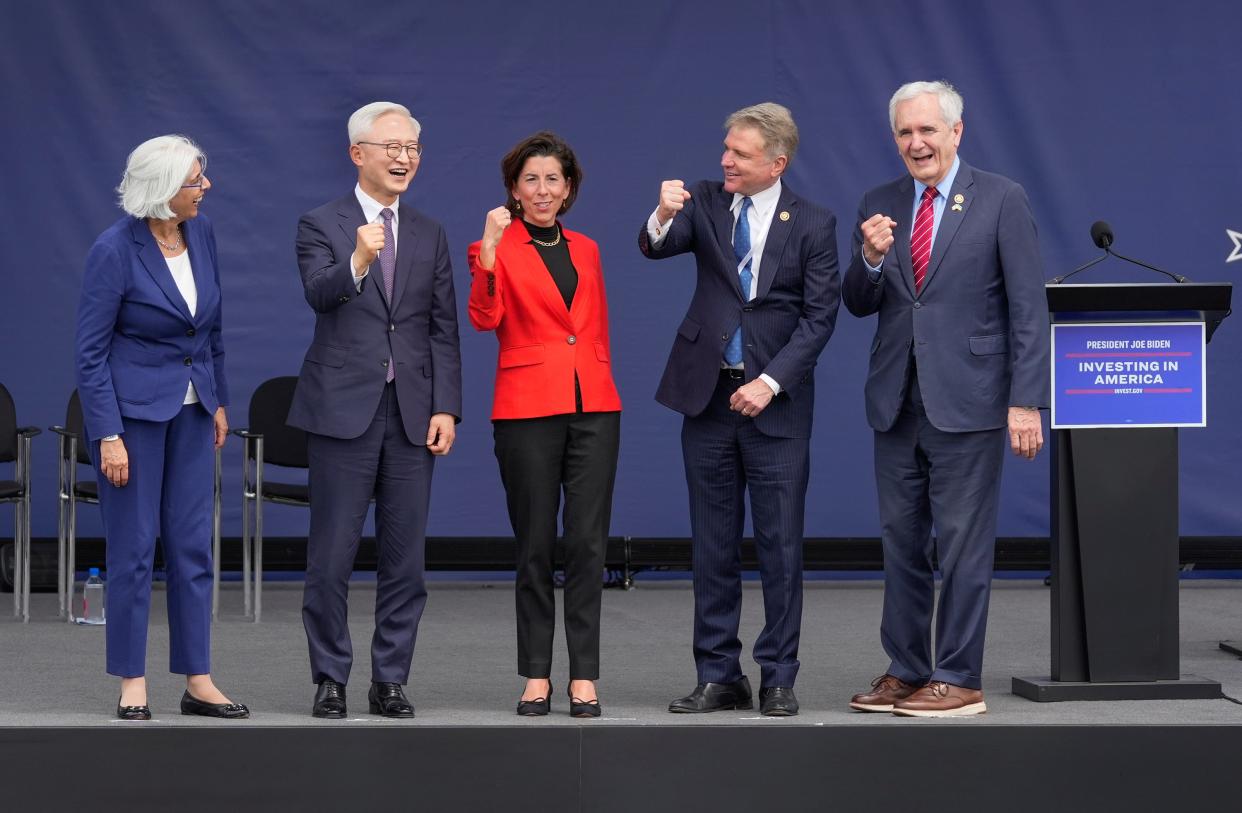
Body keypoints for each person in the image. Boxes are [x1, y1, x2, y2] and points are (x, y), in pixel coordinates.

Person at [842, 80, 1050, 717]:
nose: (916, 142)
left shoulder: (1001, 198)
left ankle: (959, 678)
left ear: (956, 133)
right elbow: (858, 300)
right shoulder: (879, 202)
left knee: (961, 545)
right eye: (905, 132)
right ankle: (906, 670)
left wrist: (1025, 401)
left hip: (971, 401)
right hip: (896, 401)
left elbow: (1027, 307)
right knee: (901, 542)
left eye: (928, 130)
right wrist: (871, 259)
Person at [639, 103, 840, 717]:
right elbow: (655, 247)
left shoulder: (813, 222)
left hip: (775, 406)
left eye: (741, 154)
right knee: (712, 545)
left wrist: (771, 382)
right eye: (725, 149)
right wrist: (662, 212)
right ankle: (718, 673)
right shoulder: (701, 200)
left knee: (780, 547)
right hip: (707, 397)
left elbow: (818, 317)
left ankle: (778, 674)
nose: (725, 160)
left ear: (776, 163)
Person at [288, 101, 462, 719]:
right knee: (331, 557)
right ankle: (330, 676)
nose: (403, 157)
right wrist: (358, 259)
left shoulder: (429, 230)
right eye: (391, 146)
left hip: (412, 414)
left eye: (412, 147)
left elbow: (443, 328)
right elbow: (318, 295)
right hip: (342, 413)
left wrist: (447, 407)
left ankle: (390, 678)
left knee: (405, 561)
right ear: (357, 153)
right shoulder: (321, 223)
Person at [76, 134, 248, 720]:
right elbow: (91, 353)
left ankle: (197, 678)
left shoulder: (201, 233)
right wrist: (106, 433)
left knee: (192, 547)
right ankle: (131, 680)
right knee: (132, 549)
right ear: (163, 189)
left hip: (196, 411)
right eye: (196, 181)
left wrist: (218, 399)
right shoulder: (113, 249)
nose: (207, 188)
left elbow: (213, 328)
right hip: (133, 419)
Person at [467, 132, 622, 718]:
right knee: (534, 546)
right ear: (513, 189)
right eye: (530, 180)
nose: (542, 190)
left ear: (569, 188)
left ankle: (584, 676)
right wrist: (486, 251)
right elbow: (485, 318)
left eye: (553, 179)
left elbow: (590, 327)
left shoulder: (586, 247)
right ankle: (536, 675)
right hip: (527, 407)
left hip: (595, 406)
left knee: (586, 545)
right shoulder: (495, 247)